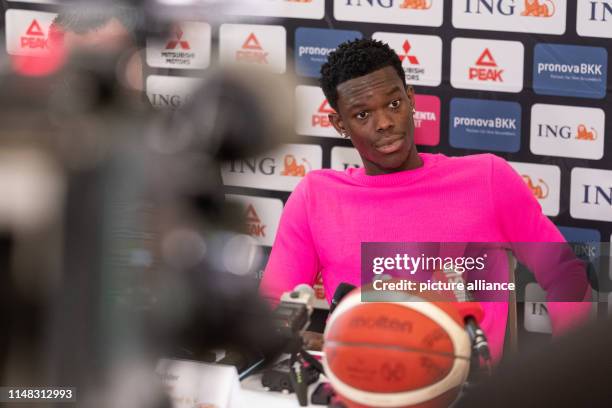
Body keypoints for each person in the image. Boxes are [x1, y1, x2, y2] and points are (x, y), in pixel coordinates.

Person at [260, 38, 591, 362]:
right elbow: (275, 306)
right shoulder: (316, 197)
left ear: (411, 98)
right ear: (339, 124)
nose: (385, 123)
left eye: (393, 104)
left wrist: (571, 375)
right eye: (362, 115)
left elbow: (564, 274)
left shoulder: (487, 178)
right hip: (356, 387)